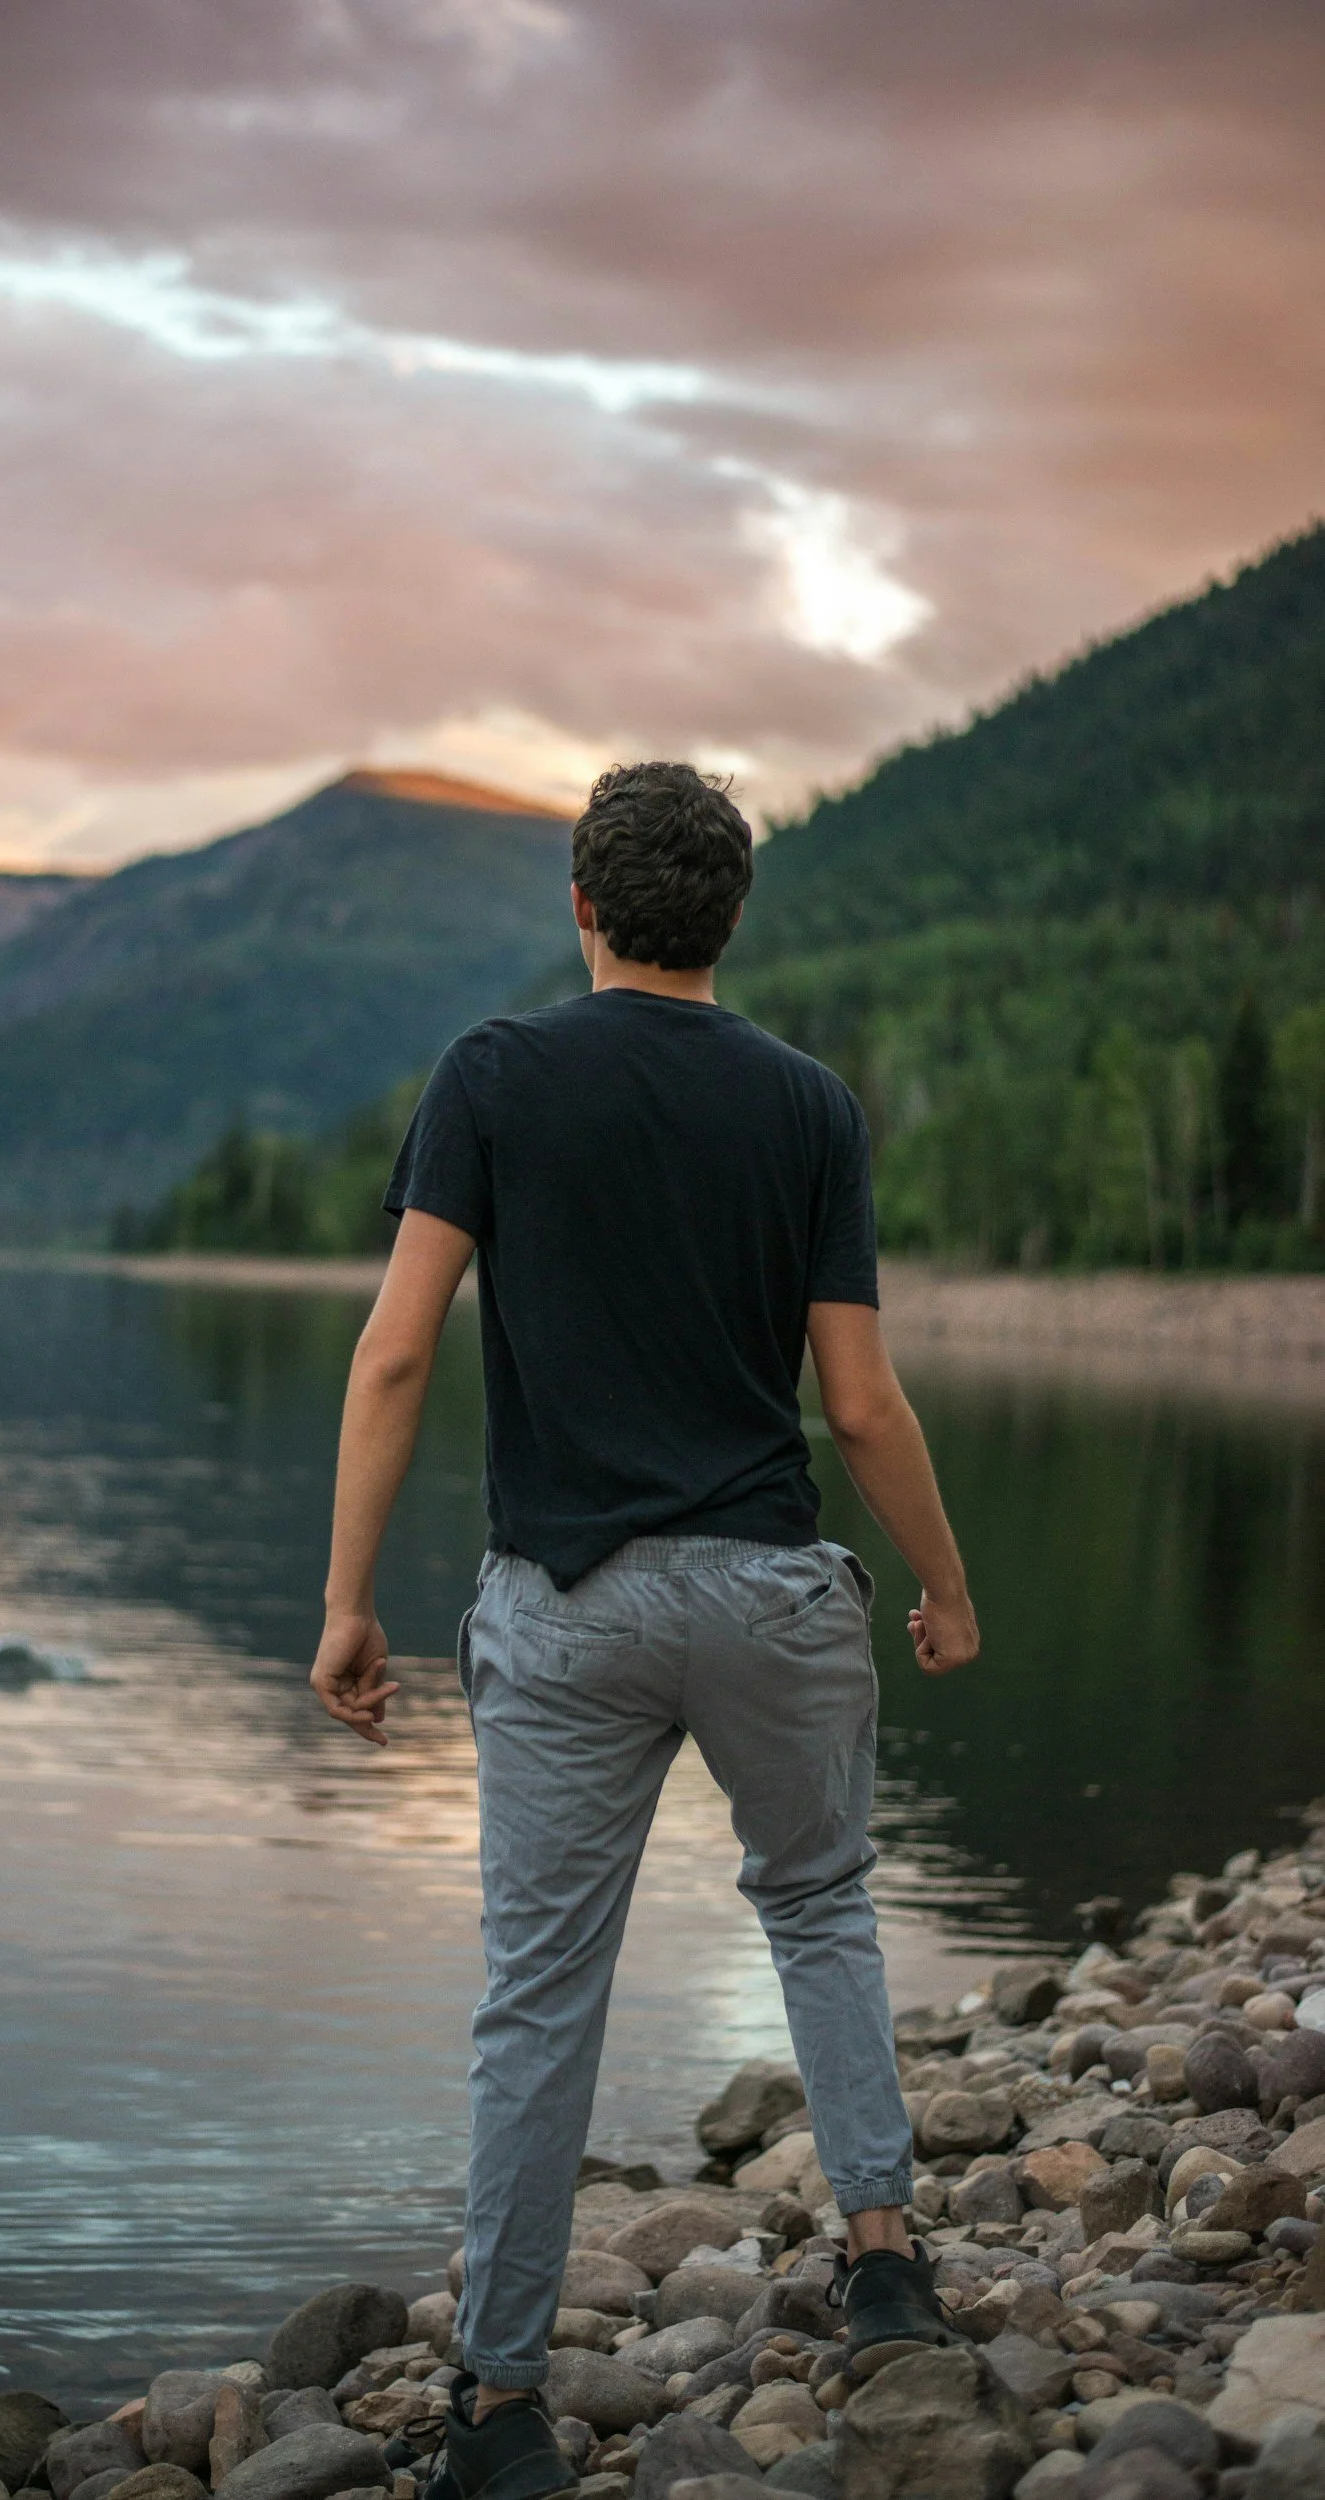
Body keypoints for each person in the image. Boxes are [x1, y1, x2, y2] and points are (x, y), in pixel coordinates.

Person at [310, 761, 979, 2500]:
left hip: (568, 1605)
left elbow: (393, 1352)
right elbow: (863, 1403)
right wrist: (951, 1583)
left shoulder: (493, 1076)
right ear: (731, 917)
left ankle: (506, 2409)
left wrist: (346, 1603)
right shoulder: (812, 1106)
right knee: (821, 1905)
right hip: (770, 1592)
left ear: (583, 908)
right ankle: (889, 2261)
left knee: (539, 2000)